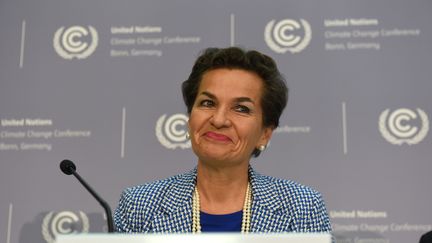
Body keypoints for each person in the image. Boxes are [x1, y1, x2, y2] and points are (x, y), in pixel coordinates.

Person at [114, 47, 332, 233]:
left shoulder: (303, 207)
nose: (218, 120)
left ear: (265, 133)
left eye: (241, 108)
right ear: (190, 118)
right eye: (208, 103)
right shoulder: (139, 206)